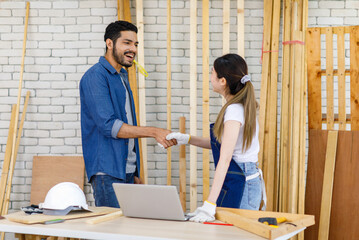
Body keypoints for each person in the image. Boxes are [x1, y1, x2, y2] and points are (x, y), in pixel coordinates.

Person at [80, 20, 176, 208]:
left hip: (127, 171)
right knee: (113, 233)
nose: (133, 49)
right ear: (110, 43)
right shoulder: (95, 77)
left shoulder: (122, 76)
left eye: (135, 44)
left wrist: (135, 170)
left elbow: (128, 122)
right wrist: (154, 131)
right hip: (107, 172)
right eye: (127, 43)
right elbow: (109, 126)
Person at [166, 53, 266, 223]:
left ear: (222, 81)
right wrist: (187, 138)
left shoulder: (234, 110)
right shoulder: (239, 106)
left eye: (212, 73)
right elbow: (222, 145)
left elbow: (225, 158)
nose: (210, 77)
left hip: (242, 181)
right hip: (242, 179)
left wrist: (209, 204)